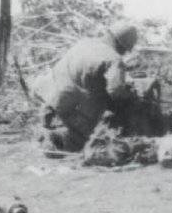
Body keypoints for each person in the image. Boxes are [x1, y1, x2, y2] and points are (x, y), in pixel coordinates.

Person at [32, 22, 139, 152]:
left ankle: (45, 127)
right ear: (121, 46)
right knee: (86, 142)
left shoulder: (84, 42)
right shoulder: (113, 58)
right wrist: (130, 95)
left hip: (48, 93)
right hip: (70, 103)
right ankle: (58, 138)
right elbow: (115, 91)